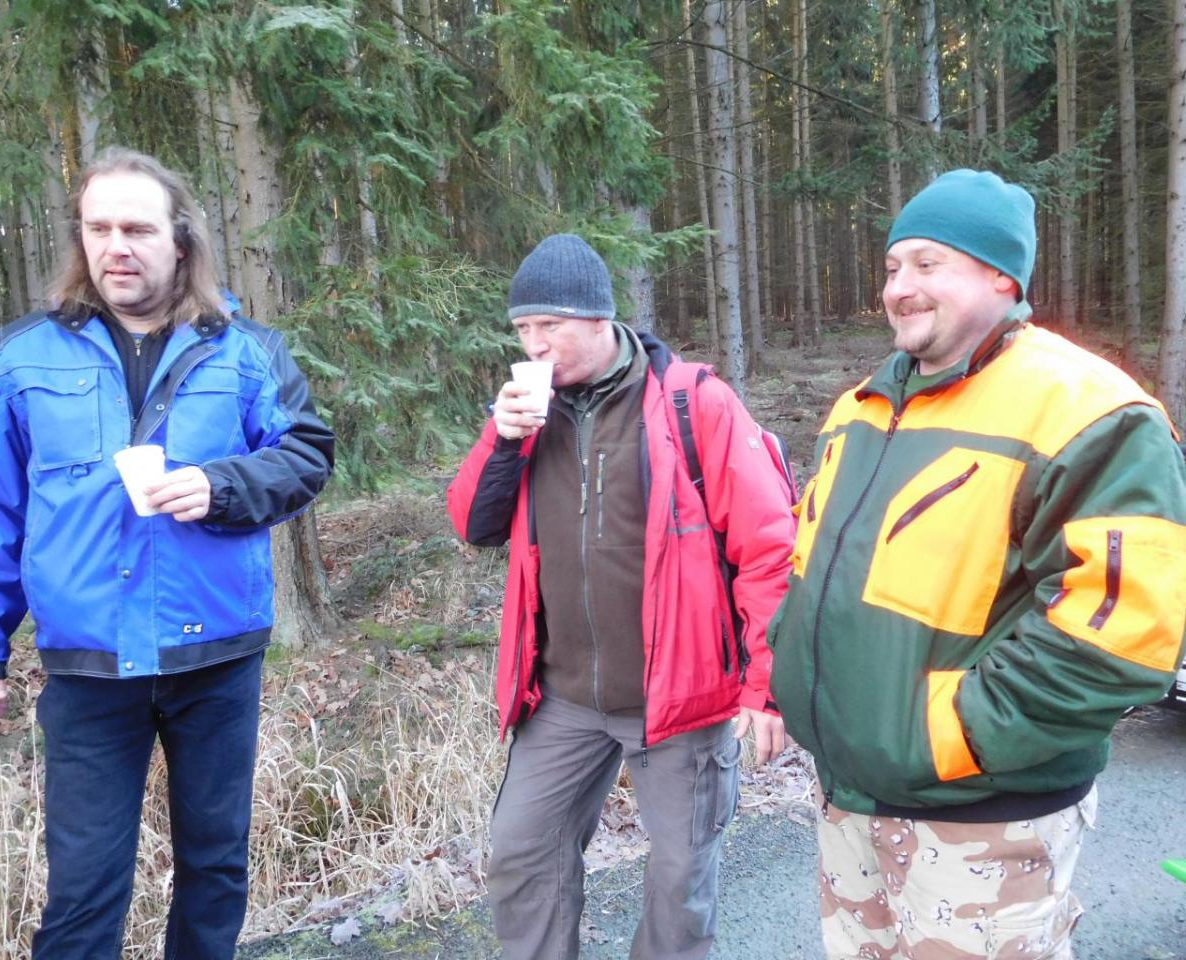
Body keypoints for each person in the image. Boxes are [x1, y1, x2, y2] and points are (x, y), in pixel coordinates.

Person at [767, 169, 1186, 958]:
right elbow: (812, 571)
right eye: (893, 266)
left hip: (983, 822)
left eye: (928, 264)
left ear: (1002, 276)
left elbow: (1120, 640)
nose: (899, 287)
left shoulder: (1091, 411)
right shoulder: (860, 408)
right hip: (849, 801)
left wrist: (943, 735)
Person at [0, 146, 335, 959]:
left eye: (137, 229)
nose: (116, 247)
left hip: (216, 658)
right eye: (99, 229)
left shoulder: (246, 350)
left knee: (215, 867)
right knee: (83, 888)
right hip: (89, 666)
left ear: (181, 240)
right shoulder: (21, 358)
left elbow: (306, 454)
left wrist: (222, 485)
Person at [447, 233, 796, 960]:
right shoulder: (528, 417)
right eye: (523, 329)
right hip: (564, 697)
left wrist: (766, 688)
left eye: (551, 325)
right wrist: (501, 440)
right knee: (522, 853)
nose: (534, 344)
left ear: (600, 317)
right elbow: (474, 525)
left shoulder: (693, 404)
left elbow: (769, 549)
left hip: (681, 699)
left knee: (679, 881)